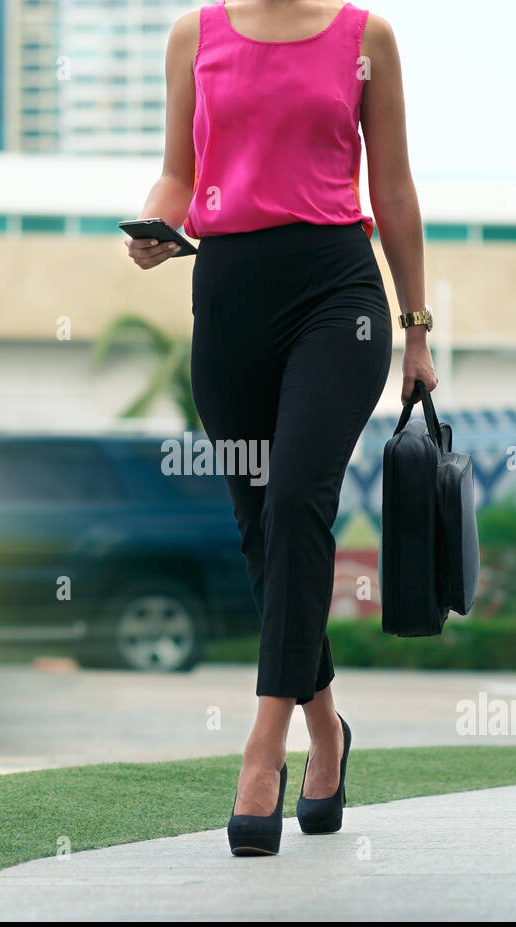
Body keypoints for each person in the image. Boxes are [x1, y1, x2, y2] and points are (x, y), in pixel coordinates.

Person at [128, 0, 437, 856]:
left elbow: (396, 188)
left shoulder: (365, 39)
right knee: (260, 524)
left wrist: (416, 330)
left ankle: (263, 749)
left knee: (298, 496)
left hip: (338, 292)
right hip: (227, 297)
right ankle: (329, 729)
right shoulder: (194, 36)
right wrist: (156, 225)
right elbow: (178, 176)